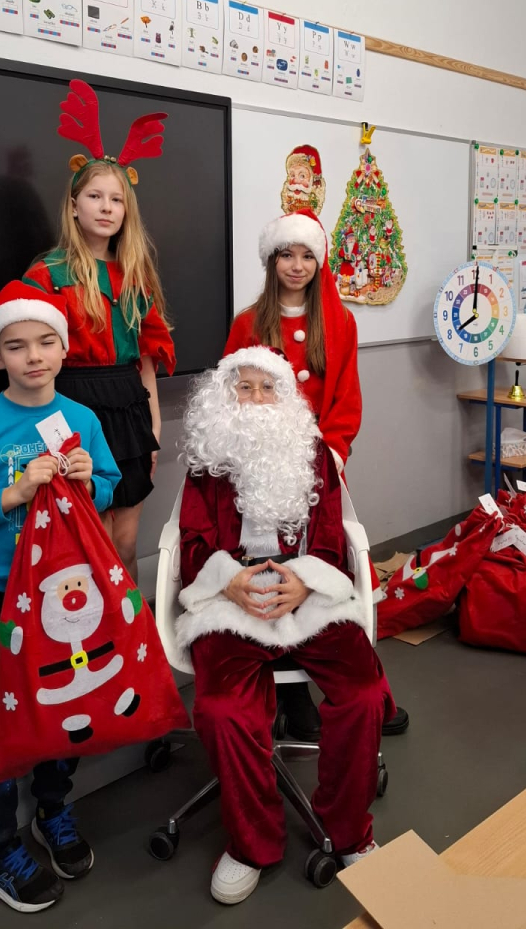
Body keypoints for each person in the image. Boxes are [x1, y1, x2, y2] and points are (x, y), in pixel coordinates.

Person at [0, 281, 122, 913]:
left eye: (45, 342)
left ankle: (52, 811)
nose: (33, 356)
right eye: (16, 346)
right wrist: (11, 494)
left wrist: (92, 482)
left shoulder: (82, 420)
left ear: (64, 349)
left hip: (66, 600)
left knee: (64, 706)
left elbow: (110, 484)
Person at [177, 347, 395, 905]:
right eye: (243, 387)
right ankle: (251, 844)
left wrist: (304, 580)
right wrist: (228, 581)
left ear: (287, 397)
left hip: (308, 591)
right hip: (232, 597)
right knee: (222, 709)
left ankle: (349, 830)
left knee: (364, 694)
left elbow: (331, 539)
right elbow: (193, 543)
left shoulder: (314, 454)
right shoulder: (207, 461)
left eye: (267, 387)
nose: (255, 399)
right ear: (224, 397)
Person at [223, 209, 409, 738]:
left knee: (333, 573)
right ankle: (290, 692)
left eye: (307, 255)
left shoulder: (340, 322)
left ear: (320, 262)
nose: (297, 265)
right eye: (287, 254)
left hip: (319, 470)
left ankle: (367, 689)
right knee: (271, 571)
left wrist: (330, 456)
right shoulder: (246, 322)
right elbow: (230, 396)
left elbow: (346, 399)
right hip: (258, 471)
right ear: (272, 259)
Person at [23, 79, 174, 583]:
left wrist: (154, 429)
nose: (106, 207)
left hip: (128, 407)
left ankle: (129, 626)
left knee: (125, 542)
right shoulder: (47, 274)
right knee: (87, 541)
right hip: (69, 407)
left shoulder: (136, 276)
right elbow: (29, 360)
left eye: (117, 199)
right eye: (94, 196)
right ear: (73, 205)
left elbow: (147, 358)